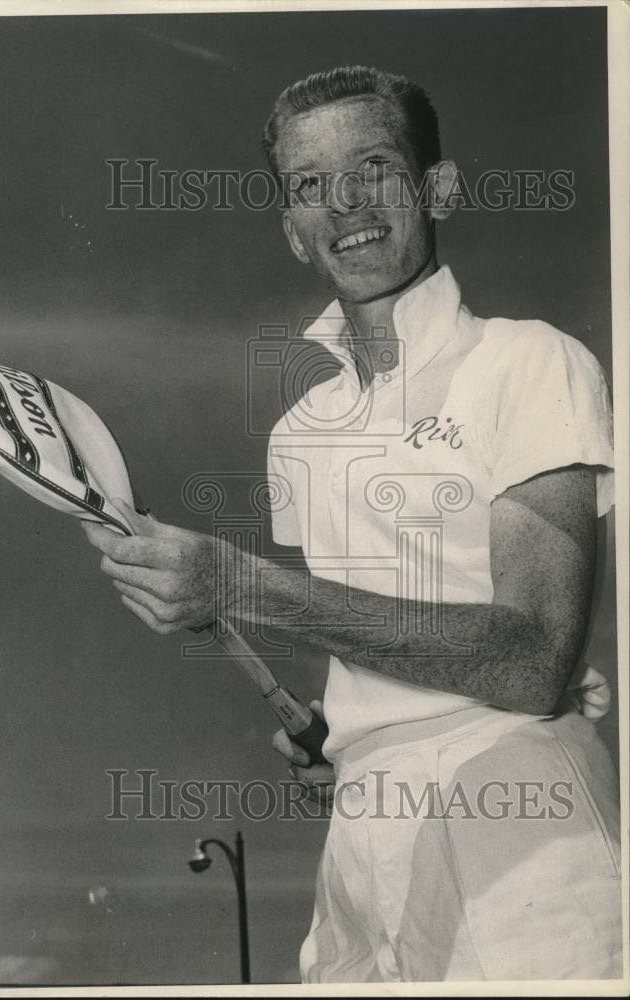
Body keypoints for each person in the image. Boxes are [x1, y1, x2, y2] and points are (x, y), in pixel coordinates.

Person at [84, 66, 621, 982]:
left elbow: (531, 660)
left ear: (437, 187)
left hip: (515, 815)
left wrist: (243, 584)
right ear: (292, 231)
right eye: (308, 187)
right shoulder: (299, 434)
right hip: (358, 845)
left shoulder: (530, 360)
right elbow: (377, 627)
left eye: (373, 166)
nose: (345, 204)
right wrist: (345, 722)